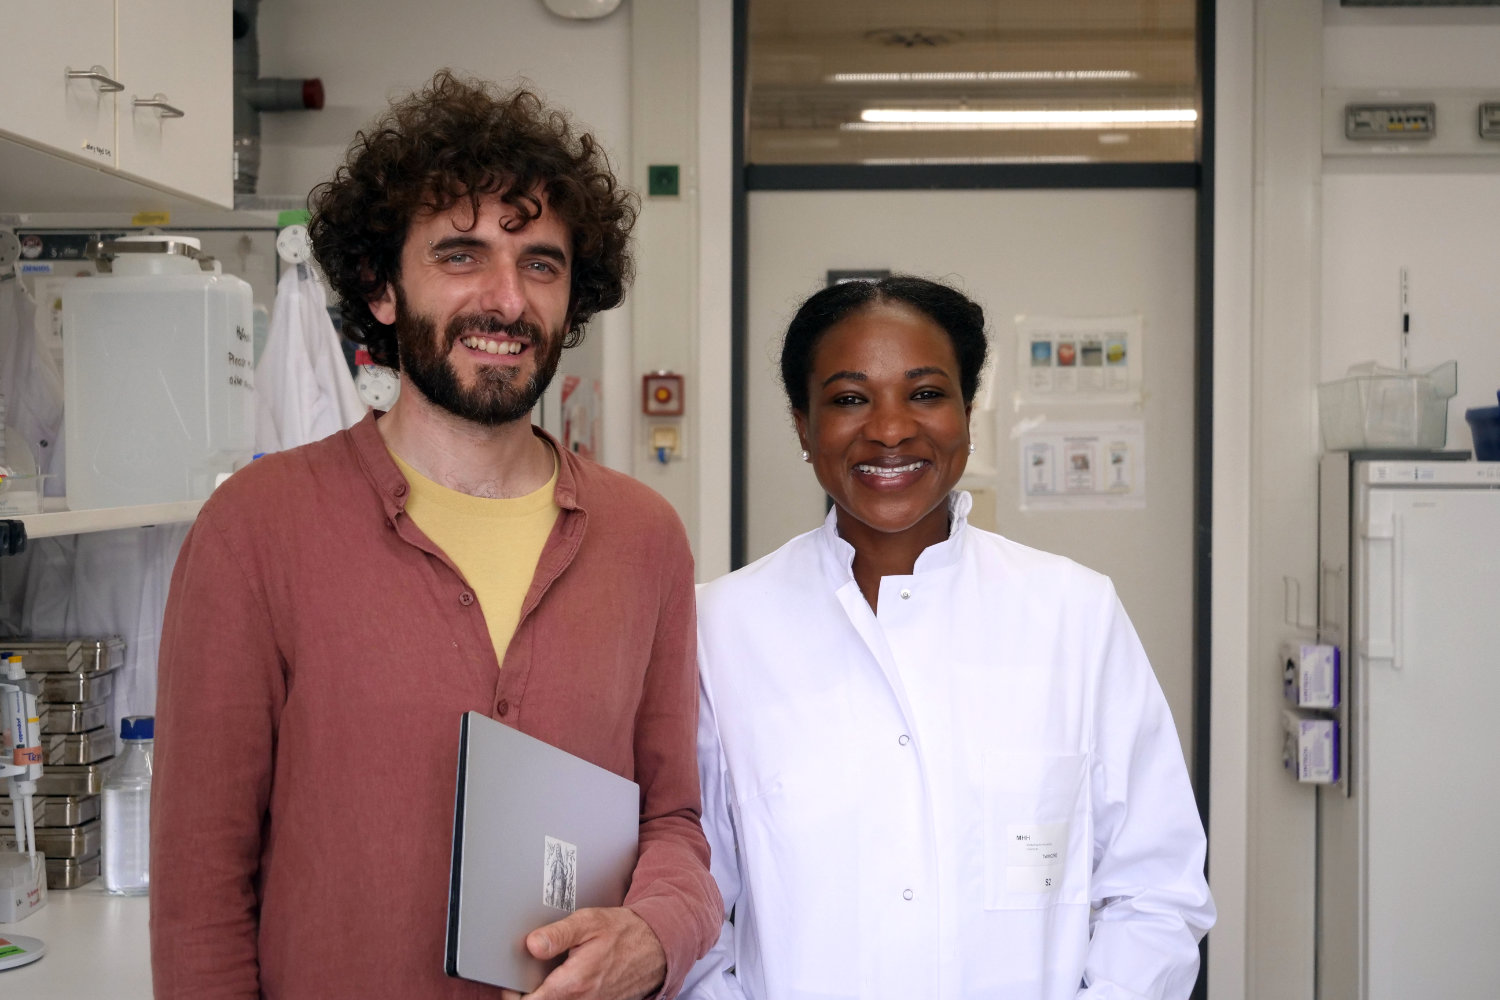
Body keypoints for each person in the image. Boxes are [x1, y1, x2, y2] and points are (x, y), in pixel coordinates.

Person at [150, 71, 720, 1000]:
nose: (506, 300)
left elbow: (676, 823)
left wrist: (656, 935)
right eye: (461, 255)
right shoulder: (257, 529)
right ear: (380, 288)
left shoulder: (642, 539)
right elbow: (201, 896)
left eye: (540, 263)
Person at [684, 276, 1214, 999]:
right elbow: (691, 905)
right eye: (848, 398)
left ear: (967, 412)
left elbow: (1157, 889)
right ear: (804, 428)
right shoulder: (721, 627)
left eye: (925, 393)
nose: (891, 428)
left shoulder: (1073, 614)